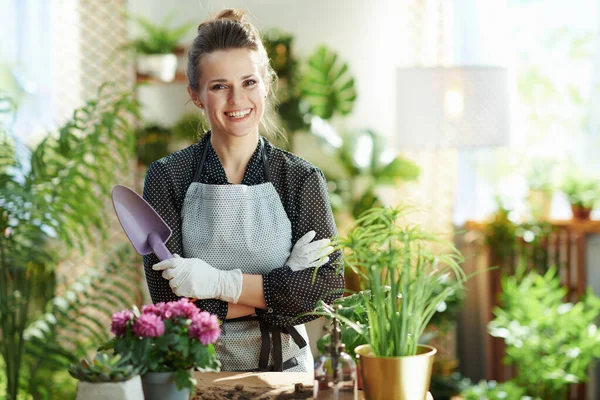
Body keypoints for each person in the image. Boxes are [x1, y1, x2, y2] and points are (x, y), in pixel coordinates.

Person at [142, 8, 345, 372]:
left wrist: (217, 283)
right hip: (198, 373)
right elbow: (168, 304)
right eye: (220, 86)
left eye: (249, 82)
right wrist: (282, 287)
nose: (237, 100)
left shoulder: (299, 179)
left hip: (286, 373)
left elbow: (326, 288)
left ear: (266, 83)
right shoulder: (168, 177)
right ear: (196, 95)